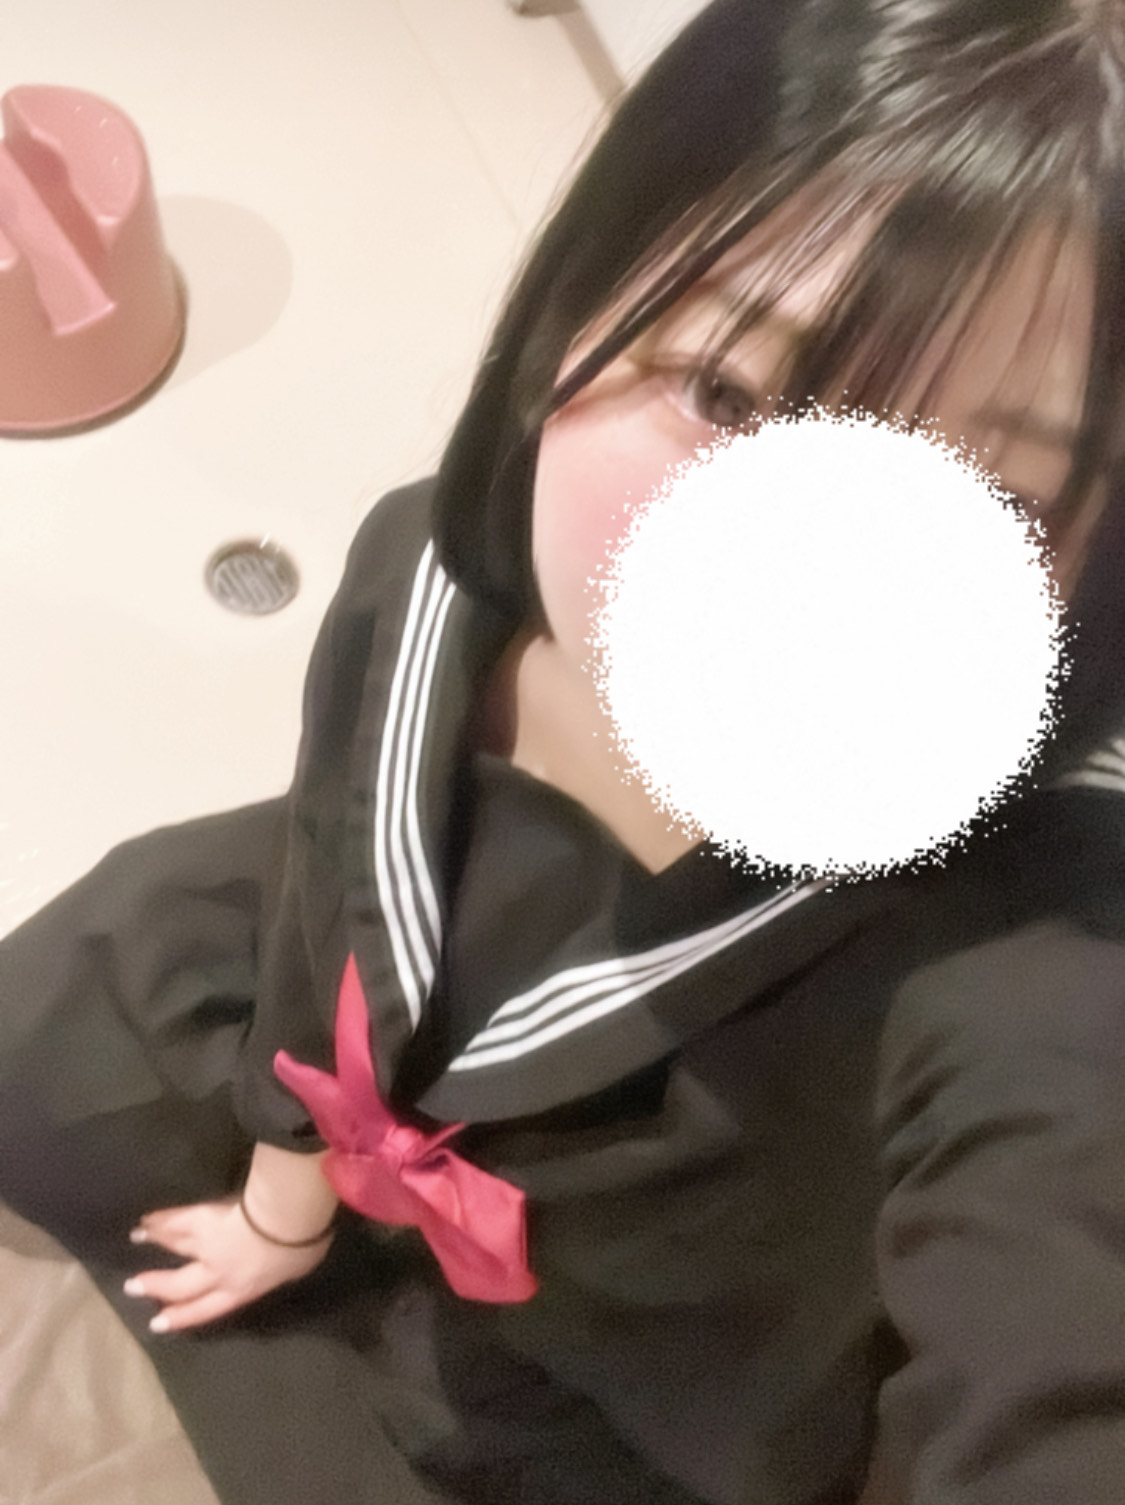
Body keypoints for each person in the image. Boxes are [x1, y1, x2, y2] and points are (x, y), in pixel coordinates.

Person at [3, 0, 1125, 1501]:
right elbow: (325, 905)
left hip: (643, 1353)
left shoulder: (1025, 950)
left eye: (990, 501)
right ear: (575, 312)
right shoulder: (422, 571)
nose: (790, 588)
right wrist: (283, 1205)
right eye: (728, 393)